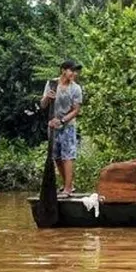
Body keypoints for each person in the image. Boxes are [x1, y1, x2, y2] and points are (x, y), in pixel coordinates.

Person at [41, 59, 84, 196]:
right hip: (53, 126)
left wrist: (62, 120)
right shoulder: (52, 84)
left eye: (76, 71)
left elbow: (76, 110)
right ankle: (68, 184)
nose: (74, 73)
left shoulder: (76, 88)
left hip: (67, 125)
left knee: (68, 156)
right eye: (72, 70)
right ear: (63, 70)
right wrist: (47, 97)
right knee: (57, 157)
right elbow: (43, 105)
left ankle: (67, 188)